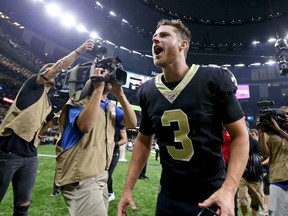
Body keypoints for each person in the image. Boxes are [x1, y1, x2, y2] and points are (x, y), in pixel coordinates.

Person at [117, 19, 249, 216]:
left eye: (164, 35)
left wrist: (229, 189)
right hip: (170, 195)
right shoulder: (147, 91)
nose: (155, 40)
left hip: (212, 192)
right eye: (154, 37)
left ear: (183, 44)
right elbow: (144, 141)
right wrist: (127, 189)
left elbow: (240, 136)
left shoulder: (213, 78)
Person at [0, 39, 94, 215]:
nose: (56, 74)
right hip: (7, 153)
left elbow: (46, 126)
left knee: (23, 205)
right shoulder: (31, 86)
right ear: (44, 74)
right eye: (51, 71)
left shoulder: (49, 104)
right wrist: (79, 51)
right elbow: (58, 67)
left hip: (30, 156)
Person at [55, 56, 137, 216]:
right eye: (106, 70)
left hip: (100, 176)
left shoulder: (110, 106)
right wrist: (98, 89)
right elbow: (85, 126)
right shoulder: (79, 99)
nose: (110, 75)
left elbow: (132, 123)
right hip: (80, 177)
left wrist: (121, 95)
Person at [259, 106, 288, 216]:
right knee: (276, 213)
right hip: (277, 179)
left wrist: (279, 130)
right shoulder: (268, 134)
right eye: (285, 114)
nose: (286, 117)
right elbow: (265, 154)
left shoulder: (279, 131)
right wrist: (261, 132)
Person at [238, 133, 264, 216]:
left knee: (257, 201)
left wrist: (251, 160)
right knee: (243, 202)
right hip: (242, 176)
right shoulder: (237, 142)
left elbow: (261, 156)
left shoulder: (254, 143)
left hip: (255, 176)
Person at [108, 127, 128, 202]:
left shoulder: (119, 123)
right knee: (102, 174)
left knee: (108, 174)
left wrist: (113, 145)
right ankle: (105, 192)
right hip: (104, 152)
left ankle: (111, 193)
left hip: (114, 152)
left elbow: (125, 139)